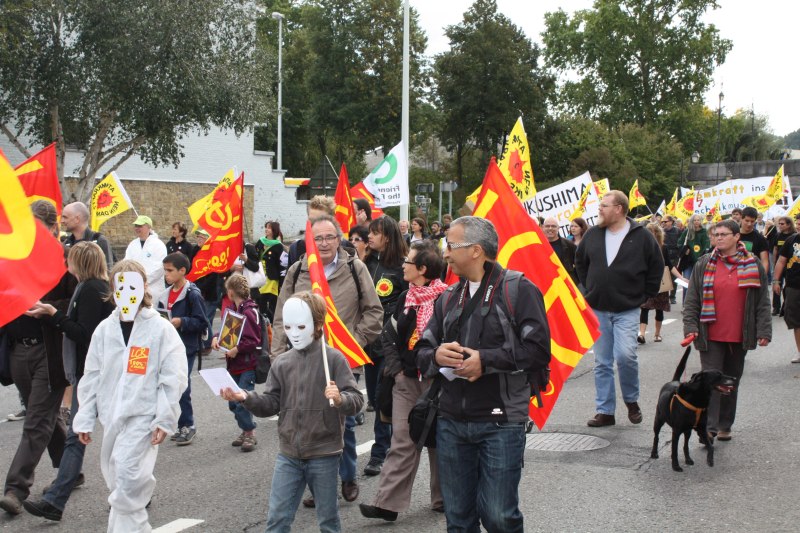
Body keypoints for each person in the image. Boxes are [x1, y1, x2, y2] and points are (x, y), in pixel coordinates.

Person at [415, 216, 550, 533]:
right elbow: (420, 352)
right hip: (450, 420)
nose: (445, 253)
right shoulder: (447, 297)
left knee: (499, 516)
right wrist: (436, 355)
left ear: (475, 250)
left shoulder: (519, 290)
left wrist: (485, 361)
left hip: (501, 420)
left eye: (451, 245)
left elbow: (539, 351)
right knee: (458, 520)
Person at [221, 292, 363, 533]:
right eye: (288, 326)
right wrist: (245, 397)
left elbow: (357, 399)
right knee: (277, 520)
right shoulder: (282, 363)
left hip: (324, 453)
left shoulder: (334, 359)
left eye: (301, 326)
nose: (294, 333)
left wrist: (340, 398)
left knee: (328, 521)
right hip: (288, 454)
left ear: (318, 325)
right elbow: (271, 403)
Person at [272, 214, 383, 506]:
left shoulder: (355, 268)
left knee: (338, 419)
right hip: (302, 360)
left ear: (339, 238)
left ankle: (346, 475)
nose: (323, 243)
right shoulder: (298, 271)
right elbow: (282, 315)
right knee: (309, 420)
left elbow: (374, 312)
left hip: (342, 360)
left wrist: (352, 343)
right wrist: (277, 356)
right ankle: (319, 483)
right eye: (317, 238)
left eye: (329, 237)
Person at [71, 259, 188, 532]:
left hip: (143, 416)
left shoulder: (159, 329)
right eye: (120, 288)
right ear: (112, 290)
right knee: (117, 478)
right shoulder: (104, 331)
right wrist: (85, 417)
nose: (127, 295)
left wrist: (164, 418)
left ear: (145, 286)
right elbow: (92, 376)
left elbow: (173, 377)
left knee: (128, 476)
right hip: (112, 417)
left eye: (133, 287)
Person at [21, 242, 115, 522]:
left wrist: (53, 315)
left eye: (70, 260)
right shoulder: (88, 287)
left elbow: (82, 333)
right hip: (91, 373)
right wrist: (51, 313)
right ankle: (56, 501)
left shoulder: (90, 289)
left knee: (91, 435)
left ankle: (131, 494)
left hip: (95, 373)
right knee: (79, 435)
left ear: (80, 263)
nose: (66, 265)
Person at [360, 241, 447, 522]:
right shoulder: (405, 298)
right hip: (406, 382)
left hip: (438, 384)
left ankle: (444, 499)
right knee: (402, 439)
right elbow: (388, 336)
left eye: (408, 262)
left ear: (422, 269)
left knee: (440, 441)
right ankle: (387, 504)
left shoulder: (446, 299)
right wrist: (397, 371)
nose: (403, 266)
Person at [0, 201, 73, 517]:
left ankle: (15, 489)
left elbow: (79, 300)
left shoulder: (63, 260)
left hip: (49, 350)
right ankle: (72, 463)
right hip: (18, 349)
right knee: (42, 415)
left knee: (36, 421)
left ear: (52, 226)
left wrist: (47, 307)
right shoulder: (13, 256)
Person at [575, 190, 663, 427]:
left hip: (627, 309)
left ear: (619, 209)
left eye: (604, 205)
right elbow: (580, 263)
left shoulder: (642, 236)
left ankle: (631, 401)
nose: (599, 209)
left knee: (625, 355)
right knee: (602, 362)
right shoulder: (592, 235)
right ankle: (605, 411)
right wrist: (589, 288)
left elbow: (657, 265)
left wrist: (646, 295)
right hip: (599, 308)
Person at [683, 219, 771, 441]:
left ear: (736, 237)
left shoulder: (753, 264)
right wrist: (690, 327)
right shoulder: (704, 263)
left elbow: (762, 301)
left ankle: (724, 425)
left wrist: (764, 330)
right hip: (709, 334)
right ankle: (709, 428)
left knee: (730, 383)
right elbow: (692, 298)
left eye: (724, 234)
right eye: (716, 234)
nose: (719, 238)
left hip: (739, 335)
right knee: (710, 384)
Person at [363, 217, 408, 477]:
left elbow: (406, 306)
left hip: (389, 346)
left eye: (375, 233)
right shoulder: (364, 264)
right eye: (369, 232)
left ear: (387, 237)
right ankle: (386, 444)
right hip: (367, 344)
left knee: (383, 399)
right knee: (373, 397)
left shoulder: (402, 266)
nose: (370, 236)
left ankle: (380, 453)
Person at [155, 252, 208, 447]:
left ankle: (188, 425)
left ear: (182, 271)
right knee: (170, 386)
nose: (166, 275)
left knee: (182, 386)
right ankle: (179, 424)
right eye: (165, 271)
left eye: (169, 271)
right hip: (168, 346)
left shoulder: (192, 294)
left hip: (186, 346)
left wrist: (181, 321)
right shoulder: (164, 294)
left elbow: (202, 322)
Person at [212, 274, 262, 452]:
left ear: (231, 292)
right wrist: (216, 338)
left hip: (247, 364)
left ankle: (249, 432)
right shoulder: (232, 310)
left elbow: (254, 340)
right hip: (233, 364)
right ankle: (245, 429)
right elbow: (225, 331)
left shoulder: (250, 311)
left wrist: (238, 349)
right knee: (232, 402)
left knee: (242, 401)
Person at [638, 223, 688, 344]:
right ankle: (642, 334)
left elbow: (670, 265)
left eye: (655, 233)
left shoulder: (663, 247)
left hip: (661, 281)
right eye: (650, 233)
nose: (652, 236)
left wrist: (681, 277)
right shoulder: (641, 247)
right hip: (646, 282)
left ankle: (657, 334)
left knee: (659, 309)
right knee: (644, 307)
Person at [772, 227, 800, 362]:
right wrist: (776, 280)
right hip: (793, 286)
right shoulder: (791, 240)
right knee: (795, 320)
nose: (799, 226)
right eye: (798, 223)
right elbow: (781, 261)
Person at [124, 215, 168, 301]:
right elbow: (126, 263)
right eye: (136, 226)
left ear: (149, 227)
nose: (137, 228)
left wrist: (143, 281)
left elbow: (160, 268)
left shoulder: (158, 245)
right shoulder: (132, 244)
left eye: (140, 226)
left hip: (153, 290)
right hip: (133, 288)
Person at [192, 229, 222, 354]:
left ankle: (207, 344)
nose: (199, 238)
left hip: (209, 290)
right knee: (201, 317)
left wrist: (202, 289)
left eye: (202, 237)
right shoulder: (196, 251)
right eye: (198, 236)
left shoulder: (212, 252)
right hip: (197, 288)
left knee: (206, 318)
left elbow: (213, 275)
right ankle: (202, 343)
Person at [287, 195, 337, 267]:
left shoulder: (346, 248)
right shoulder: (296, 249)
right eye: (312, 220)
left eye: (320, 220)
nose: (315, 225)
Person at [61, 202, 114, 269]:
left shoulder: (99, 241)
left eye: (65, 217)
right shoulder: (66, 243)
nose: (62, 221)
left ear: (77, 219)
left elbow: (108, 271)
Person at [255, 220, 286, 322]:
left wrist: (282, 282)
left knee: (273, 302)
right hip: (260, 276)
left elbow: (282, 265)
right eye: (266, 227)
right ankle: (263, 322)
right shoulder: (260, 241)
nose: (266, 229)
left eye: (269, 228)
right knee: (260, 301)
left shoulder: (278, 246)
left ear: (274, 230)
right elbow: (254, 256)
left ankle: (272, 323)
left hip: (272, 278)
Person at [677, 214, 710, 303]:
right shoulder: (687, 231)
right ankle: (685, 304)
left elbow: (706, 247)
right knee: (686, 283)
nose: (696, 222)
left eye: (698, 220)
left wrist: (702, 258)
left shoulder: (704, 232)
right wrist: (685, 250)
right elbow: (679, 243)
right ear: (692, 221)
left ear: (701, 221)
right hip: (688, 262)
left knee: (699, 284)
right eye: (694, 220)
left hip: (700, 262)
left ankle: (697, 304)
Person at [771, 217, 795, 316]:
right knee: (777, 285)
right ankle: (776, 307)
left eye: (782, 224)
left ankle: (785, 306)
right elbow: (775, 249)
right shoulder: (778, 236)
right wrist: (774, 262)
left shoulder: (793, 236)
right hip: (779, 264)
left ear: (789, 225)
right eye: (779, 224)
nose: (780, 226)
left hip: (790, 265)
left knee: (787, 288)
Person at [543, 217, 577, 285]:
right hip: (548, 286)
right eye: (547, 226)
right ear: (543, 227)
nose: (550, 228)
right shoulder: (539, 246)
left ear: (558, 228)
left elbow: (579, 264)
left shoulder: (568, 244)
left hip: (567, 285)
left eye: (553, 226)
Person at [739, 206, 770, 273]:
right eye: (747, 221)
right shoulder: (732, 235)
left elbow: (765, 261)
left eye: (752, 221)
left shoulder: (760, 238)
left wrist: (763, 278)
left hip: (753, 274)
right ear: (741, 218)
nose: (749, 224)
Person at [661, 216, 681, 304]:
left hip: (674, 256)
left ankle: (672, 296)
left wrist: (679, 253)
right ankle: (663, 296)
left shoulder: (677, 231)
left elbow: (681, 243)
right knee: (663, 277)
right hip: (664, 256)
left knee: (673, 277)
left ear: (671, 222)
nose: (664, 223)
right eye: (663, 221)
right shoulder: (661, 231)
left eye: (665, 221)